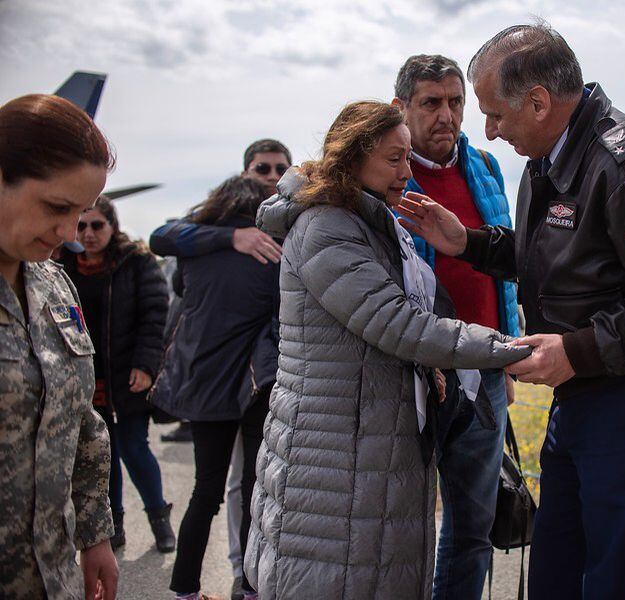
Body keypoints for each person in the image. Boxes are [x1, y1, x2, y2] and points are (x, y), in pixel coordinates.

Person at [399, 23, 625, 600]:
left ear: (540, 102)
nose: (490, 133)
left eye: (494, 114)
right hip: (584, 391)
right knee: (557, 570)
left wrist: (575, 350)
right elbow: (550, 258)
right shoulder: (551, 160)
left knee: (618, 576)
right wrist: (469, 243)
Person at [244, 101, 530, 599]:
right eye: (394, 160)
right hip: (334, 452)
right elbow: (400, 325)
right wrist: (510, 349)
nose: (407, 171)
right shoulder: (327, 227)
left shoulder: (369, 221)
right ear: (354, 159)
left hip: (367, 440)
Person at [391, 54, 519, 599]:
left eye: (456, 102)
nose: (447, 115)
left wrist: (507, 355)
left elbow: (507, 271)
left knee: (472, 527)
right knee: (398, 526)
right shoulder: (383, 172)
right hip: (409, 375)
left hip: (485, 371)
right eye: (431, 103)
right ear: (401, 108)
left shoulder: (486, 167)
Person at [150, 137, 290, 600]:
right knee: (254, 490)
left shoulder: (197, 248)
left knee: (205, 491)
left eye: (278, 169)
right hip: (256, 382)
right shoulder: (273, 246)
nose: (270, 178)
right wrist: (235, 237)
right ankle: (249, 588)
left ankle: (184, 589)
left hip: (208, 381)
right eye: (262, 169)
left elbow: (170, 255)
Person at [0, 94, 118, 598]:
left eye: (84, 214)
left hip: (53, 576)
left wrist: (95, 534)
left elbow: (80, 420)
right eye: (56, 208)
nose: (71, 233)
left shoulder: (52, 282)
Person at [58, 196, 174, 554]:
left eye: (97, 225)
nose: (89, 234)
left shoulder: (135, 261)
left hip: (128, 373)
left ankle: (159, 520)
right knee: (99, 454)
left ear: (112, 226)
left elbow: (155, 316)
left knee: (134, 448)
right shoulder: (61, 264)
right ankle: (114, 525)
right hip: (86, 379)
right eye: (81, 225)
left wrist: (145, 365)